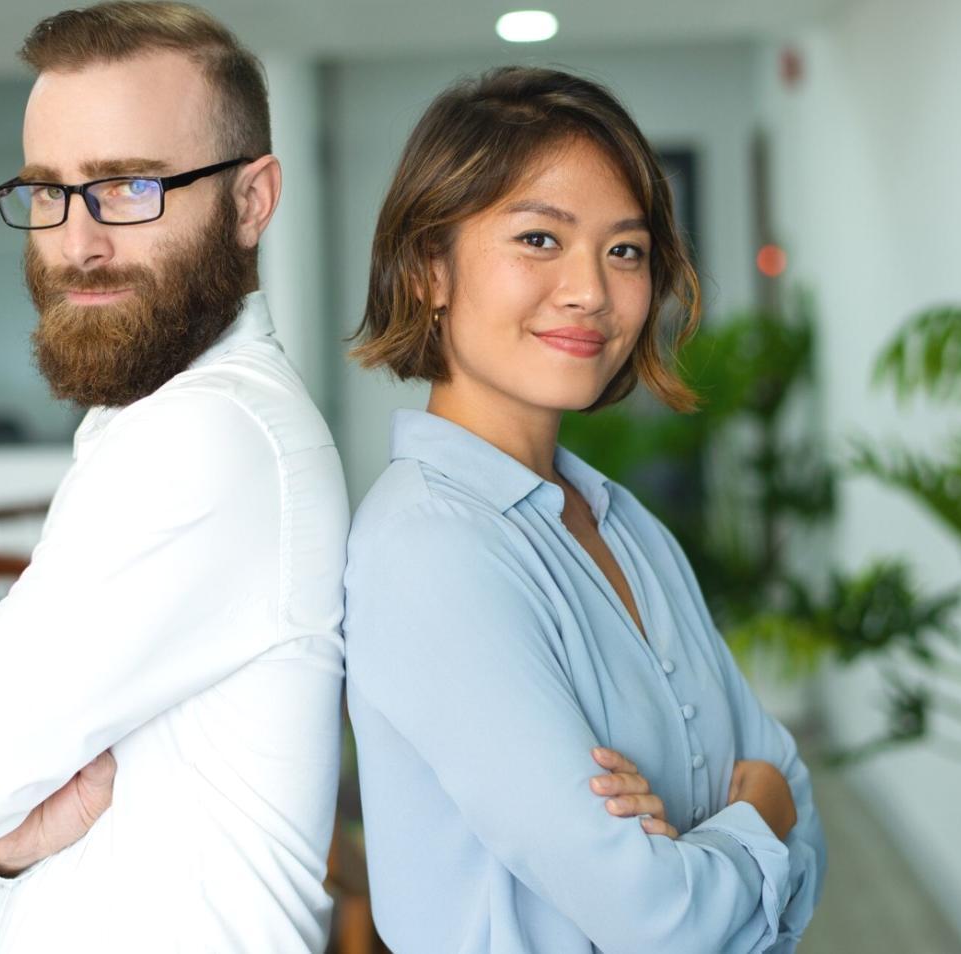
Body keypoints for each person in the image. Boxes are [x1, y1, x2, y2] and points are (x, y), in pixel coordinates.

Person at [0, 4, 349, 951]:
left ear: (252, 200)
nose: (76, 242)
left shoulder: (209, 437)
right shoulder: (151, 421)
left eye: (129, 187)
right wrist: (3, 848)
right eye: (48, 192)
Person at [343, 66, 826, 953]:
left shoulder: (619, 519)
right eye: (538, 239)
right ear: (427, 270)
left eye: (625, 250)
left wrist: (716, 839)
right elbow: (662, 915)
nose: (591, 292)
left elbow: (798, 794)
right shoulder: (429, 550)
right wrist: (755, 815)